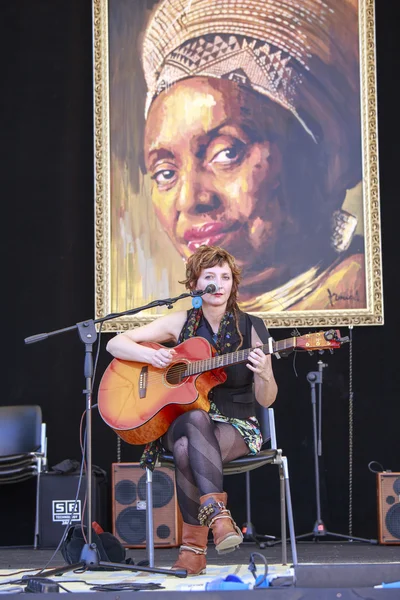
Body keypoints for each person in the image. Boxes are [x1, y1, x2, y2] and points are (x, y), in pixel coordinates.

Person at [137, 0, 366, 312]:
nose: (189, 199)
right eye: (165, 173)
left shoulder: (358, 295)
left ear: (323, 155)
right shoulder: (197, 324)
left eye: (227, 153)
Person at [106, 244, 278, 575]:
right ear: (195, 285)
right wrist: (150, 357)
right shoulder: (180, 322)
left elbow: (267, 400)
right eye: (210, 276)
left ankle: (193, 549)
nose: (219, 283)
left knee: (186, 448)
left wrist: (265, 373)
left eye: (225, 277)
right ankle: (218, 517)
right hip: (183, 420)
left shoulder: (253, 327)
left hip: (238, 425)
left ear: (233, 283)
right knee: (194, 420)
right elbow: (116, 343)